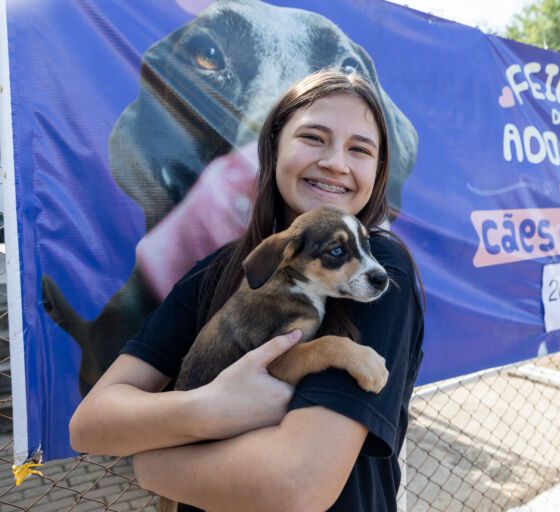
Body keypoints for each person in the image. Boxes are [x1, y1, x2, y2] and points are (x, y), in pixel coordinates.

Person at [69, 69, 424, 512]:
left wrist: (154, 464)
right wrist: (209, 406)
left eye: (360, 149)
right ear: (274, 149)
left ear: (379, 171)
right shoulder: (215, 273)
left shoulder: (383, 271)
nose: (337, 162)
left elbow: (296, 486)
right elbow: (89, 426)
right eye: (314, 137)